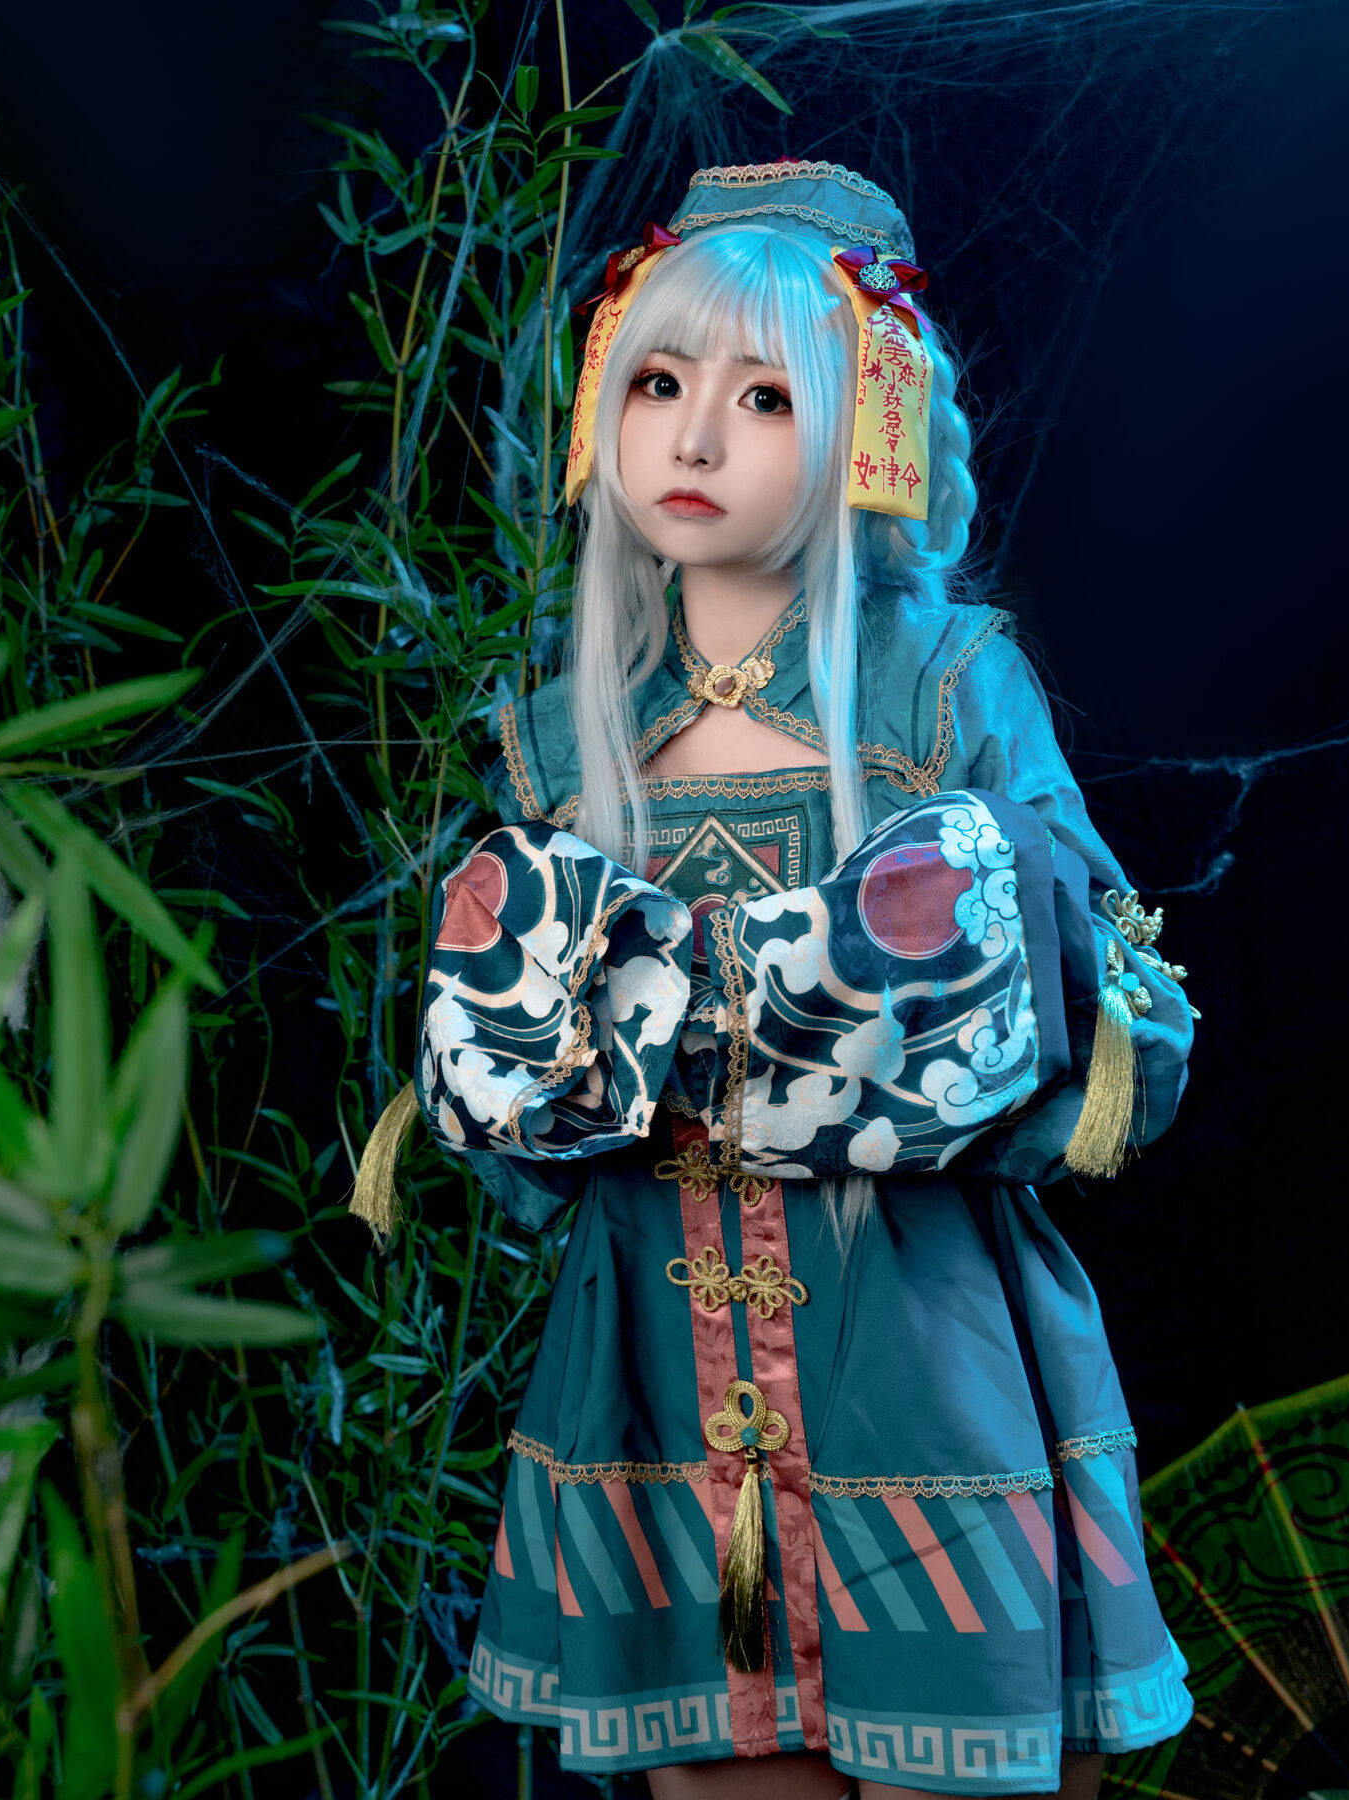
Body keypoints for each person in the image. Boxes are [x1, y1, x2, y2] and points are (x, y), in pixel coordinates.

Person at [405, 162, 1200, 1798]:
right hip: (654, 1381)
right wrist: (540, 1070)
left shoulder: (948, 689)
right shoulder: (559, 738)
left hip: (922, 1365)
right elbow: (513, 1144)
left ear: (869, 425)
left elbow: (1135, 1027)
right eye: (658, 383)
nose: (694, 440)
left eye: (764, 396)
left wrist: (952, 1026)